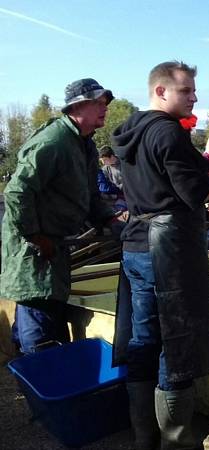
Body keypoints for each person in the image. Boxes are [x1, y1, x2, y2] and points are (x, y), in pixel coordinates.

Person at [111, 61, 209, 449]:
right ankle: (177, 442)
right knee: (177, 341)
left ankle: (143, 439)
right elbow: (192, 191)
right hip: (167, 249)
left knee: (143, 337)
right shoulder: (167, 133)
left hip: (136, 242)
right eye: (186, 91)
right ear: (161, 91)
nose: (194, 97)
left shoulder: (129, 131)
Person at [1, 78, 124, 355]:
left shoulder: (85, 145)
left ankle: (33, 373)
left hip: (52, 245)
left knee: (43, 311)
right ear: (77, 106)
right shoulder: (54, 141)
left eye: (105, 102)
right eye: (98, 102)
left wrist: (109, 219)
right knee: (39, 317)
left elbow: (90, 194)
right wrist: (35, 236)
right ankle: (41, 384)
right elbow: (16, 193)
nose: (104, 108)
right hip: (33, 250)